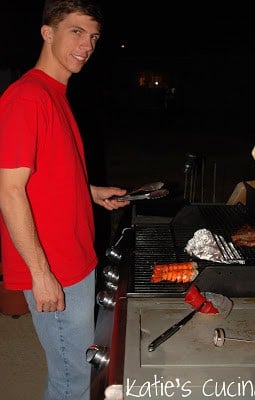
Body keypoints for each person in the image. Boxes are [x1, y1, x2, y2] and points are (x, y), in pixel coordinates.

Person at [0, 1, 129, 399]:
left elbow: (44, 175)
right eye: (76, 31)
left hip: (75, 259)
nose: (86, 45)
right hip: (55, 267)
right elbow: (9, 190)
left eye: (93, 37)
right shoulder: (27, 98)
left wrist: (90, 192)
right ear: (47, 32)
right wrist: (41, 275)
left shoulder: (55, 93)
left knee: (78, 366)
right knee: (72, 377)